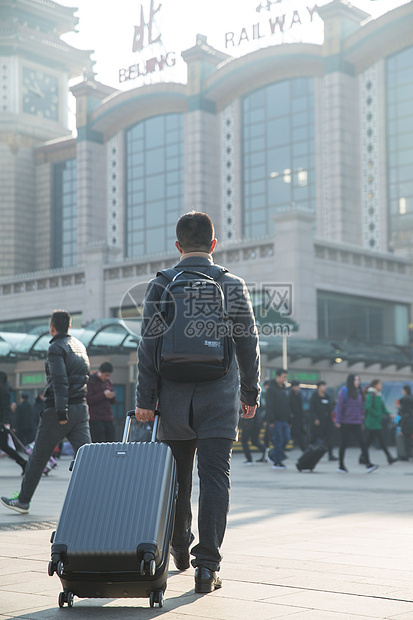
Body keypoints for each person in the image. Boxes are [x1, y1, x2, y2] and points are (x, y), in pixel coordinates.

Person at [135, 211, 260, 594]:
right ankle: (207, 567)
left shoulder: (161, 284)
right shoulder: (232, 284)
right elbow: (247, 344)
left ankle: (177, 544)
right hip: (219, 398)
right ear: (213, 244)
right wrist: (250, 393)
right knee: (215, 478)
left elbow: (148, 345)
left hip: (172, 399)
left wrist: (145, 400)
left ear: (177, 246)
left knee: (177, 480)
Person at [1, 310, 91, 514]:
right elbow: (85, 377)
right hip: (81, 409)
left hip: (58, 411)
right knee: (88, 456)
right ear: (68, 326)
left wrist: (61, 412)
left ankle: (23, 501)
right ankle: (102, 499)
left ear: (52, 327)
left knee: (38, 457)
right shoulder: (79, 345)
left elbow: (59, 380)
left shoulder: (56, 348)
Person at [335, 373, 378, 474]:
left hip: (357, 422)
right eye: (355, 380)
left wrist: (362, 420)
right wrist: (337, 421)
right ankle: (341, 465)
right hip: (346, 422)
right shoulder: (344, 392)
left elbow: (361, 408)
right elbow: (339, 407)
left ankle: (368, 464)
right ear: (351, 381)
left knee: (363, 442)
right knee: (344, 444)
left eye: (358, 380)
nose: (357, 382)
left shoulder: (360, 392)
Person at [362, 380, 397, 465]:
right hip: (372, 422)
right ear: (374, 385)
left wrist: (389, 414)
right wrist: (377, 414)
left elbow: (382, 407)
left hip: (377, 422)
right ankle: (389, 457)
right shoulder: (371, 395)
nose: (381, 386)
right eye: (380, 384)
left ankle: (362, 457)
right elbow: (368, 407)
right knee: (381, 440)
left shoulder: (378, 396)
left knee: (369, 441)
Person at [0, 371, 27, 474]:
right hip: (3, 422)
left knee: (4, 446)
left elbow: (6, 408)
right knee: (4, 446)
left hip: (2, 423)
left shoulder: (4, 391)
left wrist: (6, 422)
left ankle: (23, 462)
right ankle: (22, 462)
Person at [265, 369, 292, 470]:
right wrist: (271, 420)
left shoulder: (284, 389)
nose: (285, 379)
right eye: (283, 377)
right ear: (277, 376)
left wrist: (290, 420)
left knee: (286, 439)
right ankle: (277, 462)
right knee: (278, 440)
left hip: (285, 420)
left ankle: (273, 455)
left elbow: (287, 406)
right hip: (276, 420)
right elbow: (269, 406)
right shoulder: (271, 389)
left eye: (286, 377)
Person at [87, 362, 117, 442]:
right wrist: (103, 395)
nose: (107, 377)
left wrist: (112, 396)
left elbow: (114, 402)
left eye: (109, 376)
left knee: (111, 444)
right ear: (100, 372)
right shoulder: (91, 382)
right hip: (96, 419)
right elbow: (89, 400)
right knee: (99, 444)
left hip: (109, 418)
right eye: (106, 375)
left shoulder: (108, 382)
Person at [309, 381, 338, 461]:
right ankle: (310, 453)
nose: (325, 388)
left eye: (325, 386)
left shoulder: (327, 397)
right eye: (323, 386)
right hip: (318, 421)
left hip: (327, 421)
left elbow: (329, 409)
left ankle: (330, 454)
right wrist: (315, 418)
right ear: (319, 387)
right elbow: (312, 409)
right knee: (314, 439)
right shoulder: (314, 397)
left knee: (329, 437)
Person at [289, 380, 307, 452]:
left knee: (299, 435)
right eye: (297, 386)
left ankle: (304, 449)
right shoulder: (290, 396)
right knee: (295, 435)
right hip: (293, 419)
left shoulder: (299, 395)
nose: (298, 388)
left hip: (299, 419)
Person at [398, 384, 413, 460]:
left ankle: (406, 455)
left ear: (405, 391)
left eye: (403, 390)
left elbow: (401, 411)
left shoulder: (404, 399)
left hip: (407, 421)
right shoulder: (411, 398)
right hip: (411, 420)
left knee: (407, 438)